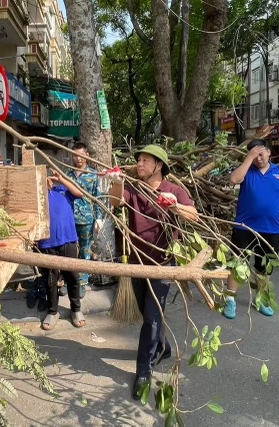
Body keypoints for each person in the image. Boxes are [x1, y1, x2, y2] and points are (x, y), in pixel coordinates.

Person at [109, 145, 198, 401]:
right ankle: (163, 346)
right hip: (137, 262)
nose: (139, 163)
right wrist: (115, 182)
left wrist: (174, 206)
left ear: (158, 165)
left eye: (145, 160)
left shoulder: (173, 190)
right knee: (148, 311)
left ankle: (143, 372)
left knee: (151, 317)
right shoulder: (134, 187)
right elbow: (116, 202)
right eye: (138, 159)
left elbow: (194, 216)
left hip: (163, 262)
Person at [223, 139, 279, 320]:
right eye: (254, 154)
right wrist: (248, 158)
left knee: (264, 268)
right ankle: (230, 300)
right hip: (244, 227)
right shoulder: (247, 171)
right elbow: (233, 179)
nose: (258, 158)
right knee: (237, 264)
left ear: (268, 152)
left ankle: (261, 299)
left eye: (261, 153)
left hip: (271, 230)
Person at [38, 176, 85, 330]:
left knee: (72, 276)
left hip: (68, 239)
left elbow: (80, 193)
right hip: (46, 242)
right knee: (51, 278)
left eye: (48, 177)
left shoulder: (63, 190)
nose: (47, 180)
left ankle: (76, 309)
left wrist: (61, 179)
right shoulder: (38, 195)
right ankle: (53, 312)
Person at [65, 142, 101, 295]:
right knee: (69, 251)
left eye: (81, 156)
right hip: (69, 219)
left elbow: (97, 198)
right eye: (75, 155)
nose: (78, 159)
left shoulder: (93, 175)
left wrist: (99, 218)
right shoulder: (68, 174)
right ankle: (70, 280)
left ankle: (82, 282)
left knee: (85, 251)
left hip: (86, 219)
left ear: (86, 155)